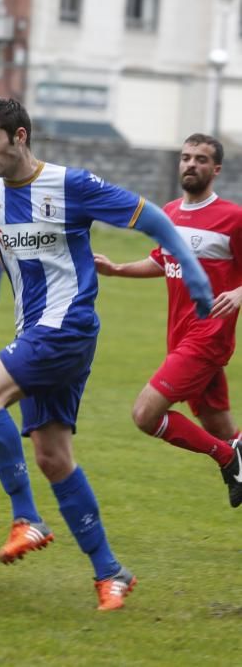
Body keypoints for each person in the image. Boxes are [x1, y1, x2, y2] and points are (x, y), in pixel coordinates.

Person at [0, 98, 214, 610]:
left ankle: (27, 517)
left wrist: (195, 277)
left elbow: (153, 219)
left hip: (67, 326)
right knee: (53, 457)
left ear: (20, 137)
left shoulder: (71, 184)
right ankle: (111, 573)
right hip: (39, 332)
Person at [94, 133, 242, 508]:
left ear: (216, 169)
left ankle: (228, 459)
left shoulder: (233, 218)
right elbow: (163, 260)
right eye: (186, 157)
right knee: (220, 426)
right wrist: (117, 270)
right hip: (180, 337)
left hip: (207, 337)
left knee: (145, 414)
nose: (191, 164)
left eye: (201, 159)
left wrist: (239, 293)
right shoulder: (171, 213)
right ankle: (233, 451)